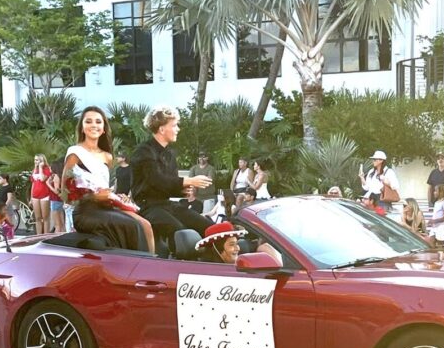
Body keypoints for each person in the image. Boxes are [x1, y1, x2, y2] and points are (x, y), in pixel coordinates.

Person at [65, 106, 155, 254]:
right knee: (132, 225)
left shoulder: (107, 156)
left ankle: (152, 266)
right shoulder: (75, 153)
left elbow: (105, 188)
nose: (94, 125)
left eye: (98, 122)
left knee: (145, 225)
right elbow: (66, 192)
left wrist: (118, 197)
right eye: (88, 121)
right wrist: (94, 197)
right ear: (82, 127)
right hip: (86, 212)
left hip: (107, 207)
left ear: (104, 128)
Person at [131, 105, 213, 256]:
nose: (178, 129)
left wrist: (182, 191)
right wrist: (188, 181)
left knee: (208, 226)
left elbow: (168, 185)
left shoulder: (169, 154)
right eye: (174, 125)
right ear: (162, 129)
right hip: (147, 207)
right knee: (181, 232)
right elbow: (156, 180)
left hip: (166, 204)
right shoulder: (143, 151)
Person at [195, 222, 282, 265]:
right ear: (217, 248)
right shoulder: (209, 273)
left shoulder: (237, 266)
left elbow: (265, 247)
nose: (238, 248)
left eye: (237, 243)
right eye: (232, 244)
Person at [29, 154, 53, 235]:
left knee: (45, 217)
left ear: (43, 161)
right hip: (35, 196)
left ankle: (46, 235)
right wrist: (31, 197)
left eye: (38, 160)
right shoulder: (34, 170)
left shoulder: (46, 169)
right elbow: (33, 184)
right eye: (35, 160)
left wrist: (40, 168)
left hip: (44, 195)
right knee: (37, 217)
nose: (36, 162)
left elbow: (42, 179)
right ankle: (38, 235)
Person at [46, 160, 66, 234]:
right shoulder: (60, 175)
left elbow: (57, 191)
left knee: (57, 224)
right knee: (62, 223)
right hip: (60, 201)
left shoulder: (56, 177)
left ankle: (56, 238)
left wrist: (48, 184)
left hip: (55, 200)